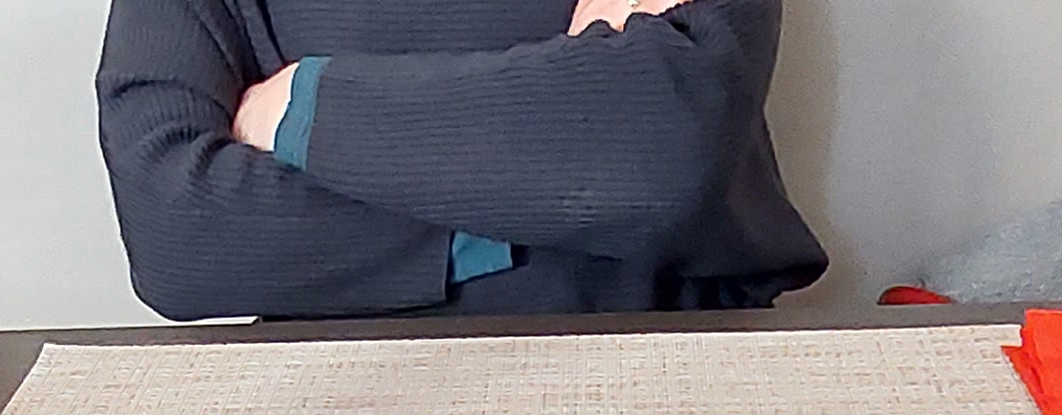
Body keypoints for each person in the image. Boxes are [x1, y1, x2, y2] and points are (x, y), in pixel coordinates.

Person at [96, 0, 826, 320]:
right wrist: (552, 186)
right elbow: (176, 235)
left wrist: (306, 107)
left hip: (664, 372)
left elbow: (666, 143)